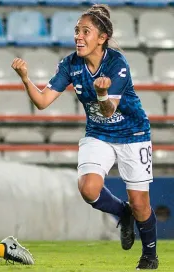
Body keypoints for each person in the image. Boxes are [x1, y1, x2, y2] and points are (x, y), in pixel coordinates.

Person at [11, 4, 158, 270]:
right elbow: (43, 101)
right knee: (88, 189)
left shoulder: (117, 63)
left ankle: (149, 256)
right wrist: (25, 79)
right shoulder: (71, 64)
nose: (78, 36)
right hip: (99, 134)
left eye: (85, 31)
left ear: (101, 38)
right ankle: (121, 213)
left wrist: (102, 94)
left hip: (133, 134)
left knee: (140, 203)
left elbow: (109, 108)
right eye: (77, 31)